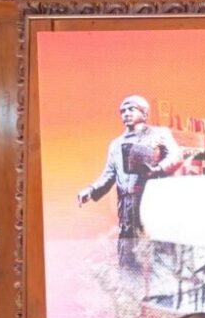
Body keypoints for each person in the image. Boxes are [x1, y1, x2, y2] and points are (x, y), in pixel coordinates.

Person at [75, 94, 182, 238]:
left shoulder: (159, 134)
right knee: (128, 243)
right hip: (126, 202)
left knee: (157, 241)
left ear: (144, 113)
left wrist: (157, 169)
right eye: (123, 111)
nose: (126, 114)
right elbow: (109, 174)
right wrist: (91, 190)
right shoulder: (116, 144)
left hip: (152, 197)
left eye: (131, 109)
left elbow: (176, 156)